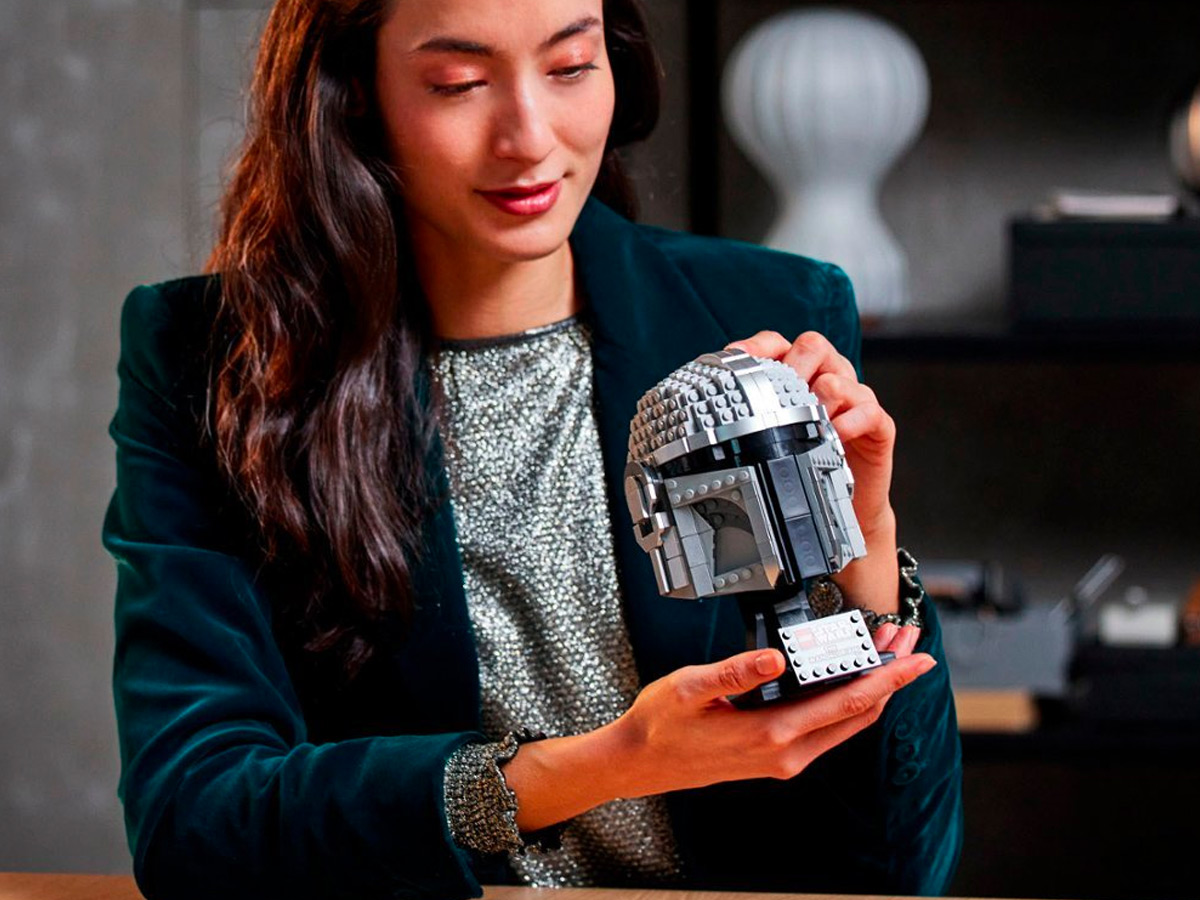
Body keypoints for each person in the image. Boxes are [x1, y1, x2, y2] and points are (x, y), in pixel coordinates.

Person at [103, 1, 963, 898]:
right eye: (459, 84)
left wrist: (864, 550)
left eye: (570, 67)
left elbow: (901, 868)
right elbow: (193, 823)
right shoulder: (211, 358)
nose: (528, 136)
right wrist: (608, 764)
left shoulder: (774, 312)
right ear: (353, 94)